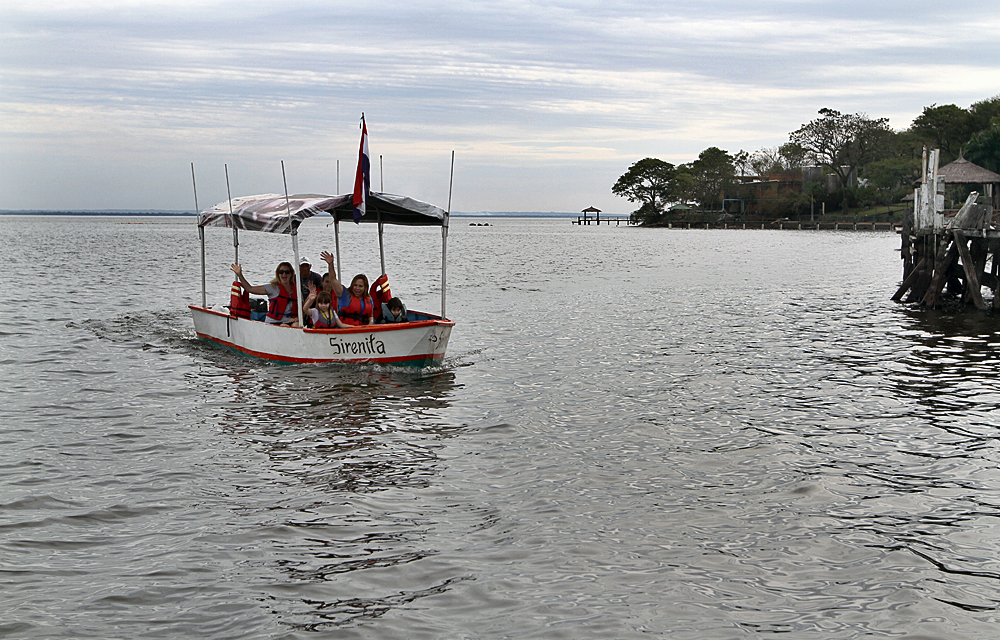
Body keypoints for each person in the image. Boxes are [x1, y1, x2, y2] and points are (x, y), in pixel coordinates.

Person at [231, 262, 300, 327]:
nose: (284, 274)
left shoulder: (297, 290)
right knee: (284, 326)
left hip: (288, 321)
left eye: (287, 272)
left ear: (291, 274)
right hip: (273, 322)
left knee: (297, 325)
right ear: (278, 274)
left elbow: (301, 308)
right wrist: (240, 275)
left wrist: (296, 318)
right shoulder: (272, 287)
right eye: (281, 272)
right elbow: (250, 289)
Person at [320, 250, 375, 326]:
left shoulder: (369, 298)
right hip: (345, 331)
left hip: (363, 331)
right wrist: (331, 264)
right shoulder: (344, 295)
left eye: (360, 286)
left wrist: (371, 322)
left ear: (365, 288)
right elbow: (333, 279)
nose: (357, 288)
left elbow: (370, 316)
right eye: (355, 285)